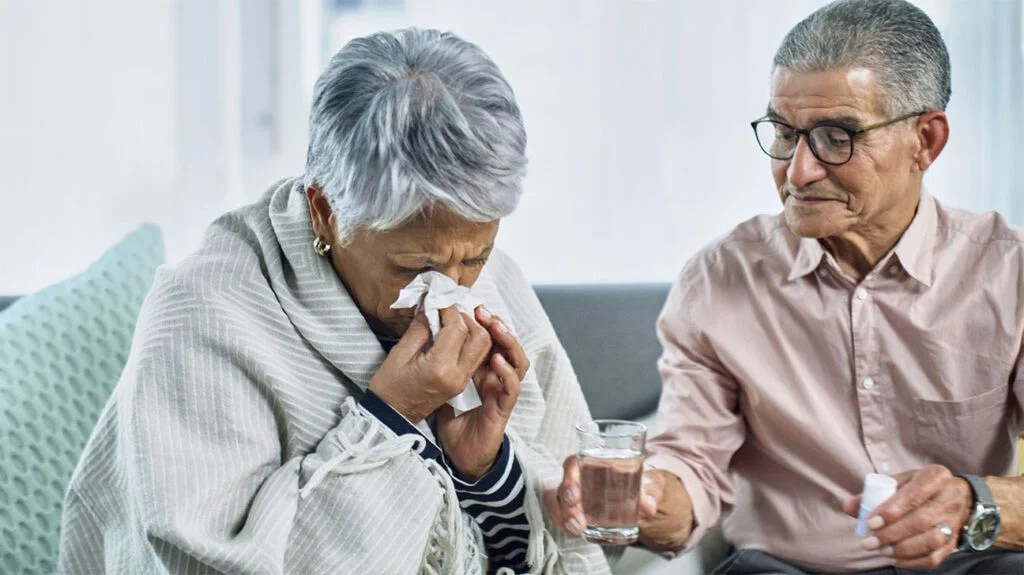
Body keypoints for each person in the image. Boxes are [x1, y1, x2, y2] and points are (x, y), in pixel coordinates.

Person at [59, 28, 611, 575]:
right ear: (325, 211)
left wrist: (484, 470)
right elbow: (205, 565)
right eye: (415, 268)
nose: (450, 295)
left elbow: (575, 533)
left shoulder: (489, 276)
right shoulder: (205, 316)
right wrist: (392, 418)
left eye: (477, 256)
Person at [547, 1, 1024, 573]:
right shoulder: (720, 280)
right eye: (784, 133)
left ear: (926, 140)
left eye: (836, 137)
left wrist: (977, 503)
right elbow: (689, 476)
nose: (797, 172)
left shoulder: (1007, 272)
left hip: (967, 561)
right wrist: (644, 494)